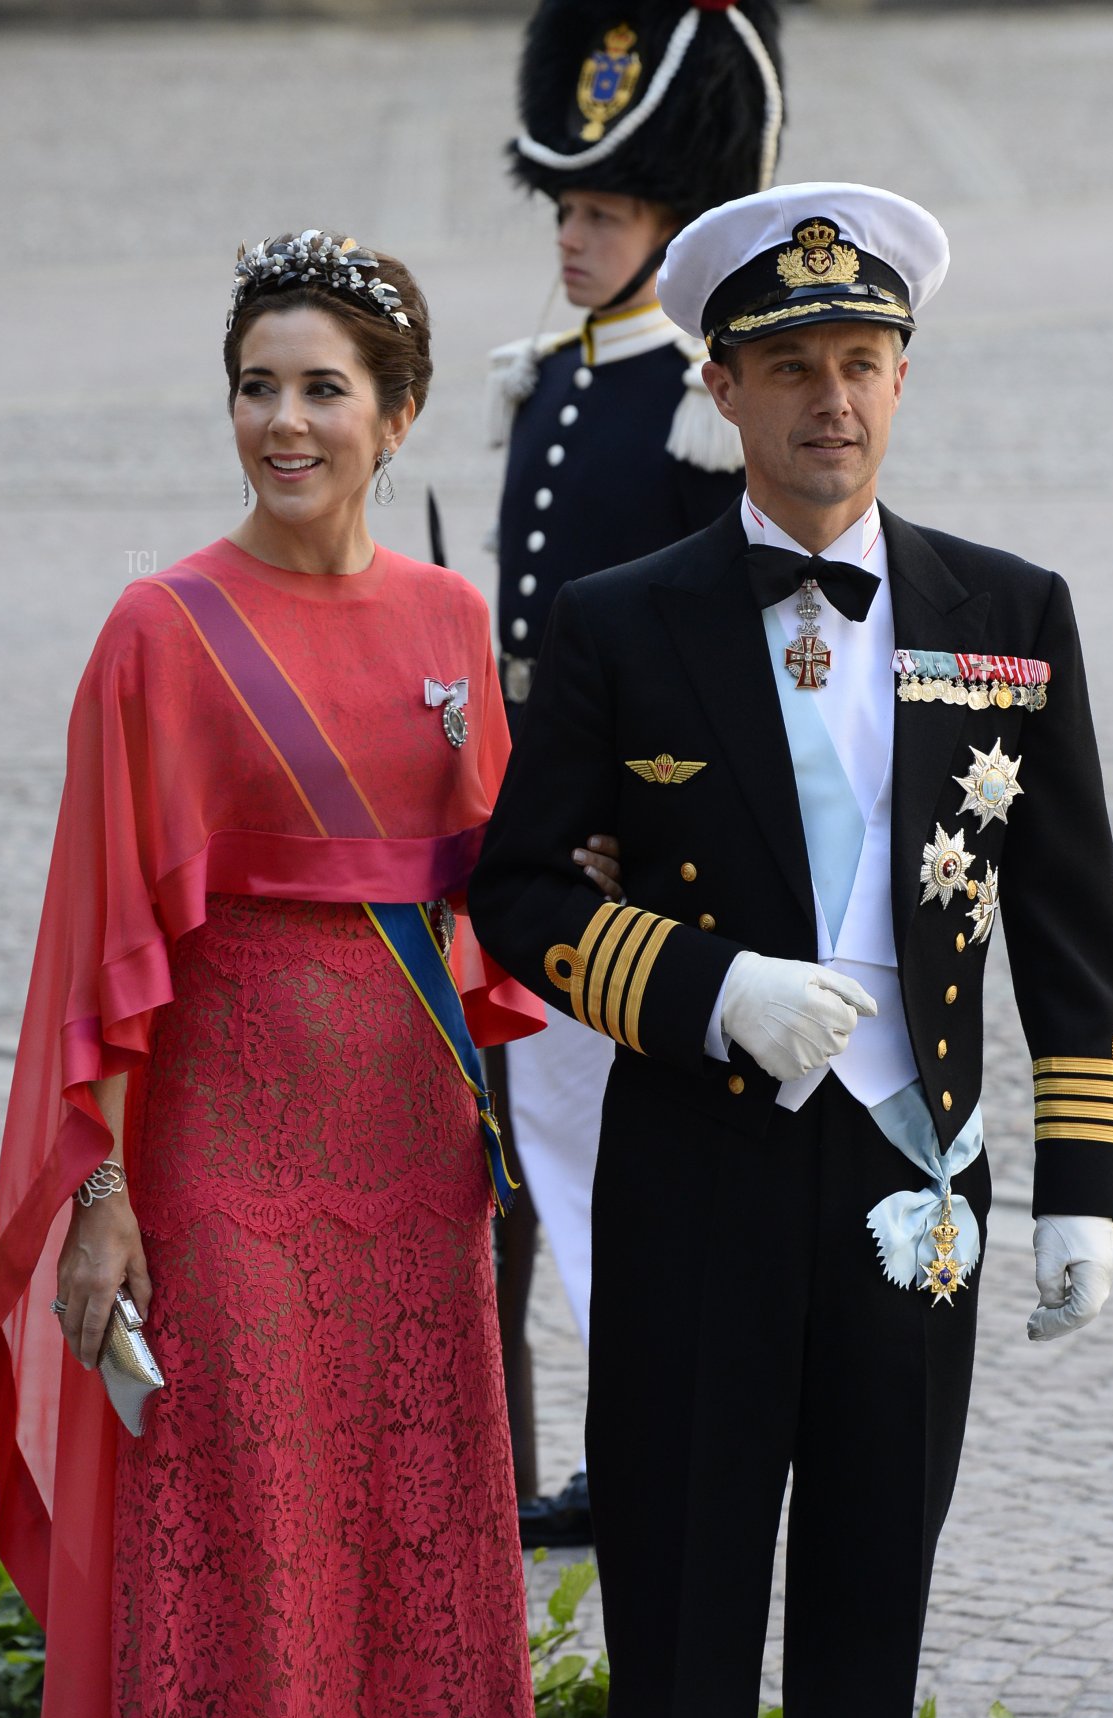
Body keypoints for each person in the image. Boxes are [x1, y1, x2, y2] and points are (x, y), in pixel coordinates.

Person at [469, 182, 1113, 1718]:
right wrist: (709, 988)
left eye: (859, 362)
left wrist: (1084, 1190)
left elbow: (1071, 928)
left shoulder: (1010, 615)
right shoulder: (621, 620)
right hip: (700, 1171)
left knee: (868, 1623)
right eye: (788, 367)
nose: (829, 400)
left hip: (915, 1177)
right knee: (680, 1623)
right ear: (722, 387)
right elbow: (520, 891)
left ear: (903, 376)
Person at [0, 228, 620, 1718]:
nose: (284, 422)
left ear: (397, 416)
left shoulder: (451, 620)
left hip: (415, 1156)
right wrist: (102, 1194)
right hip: (223, 1165)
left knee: (411, 1523)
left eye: (323, 389)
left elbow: (500, 887)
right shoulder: (159, 630)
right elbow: (99, 946)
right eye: (255, 387)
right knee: (246, 1528)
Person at [486, 0, 784, 1540]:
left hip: (631, 850)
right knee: (546, 1148)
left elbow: (706, 641)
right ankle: (612, 1446)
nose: (574, 237)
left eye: (604, 214)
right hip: (537, 825)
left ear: (671, 226)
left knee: (621, 1161)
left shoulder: (688, 396)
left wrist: (638, 817)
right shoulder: (545, 376)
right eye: (568, 209)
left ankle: (657, 1444)